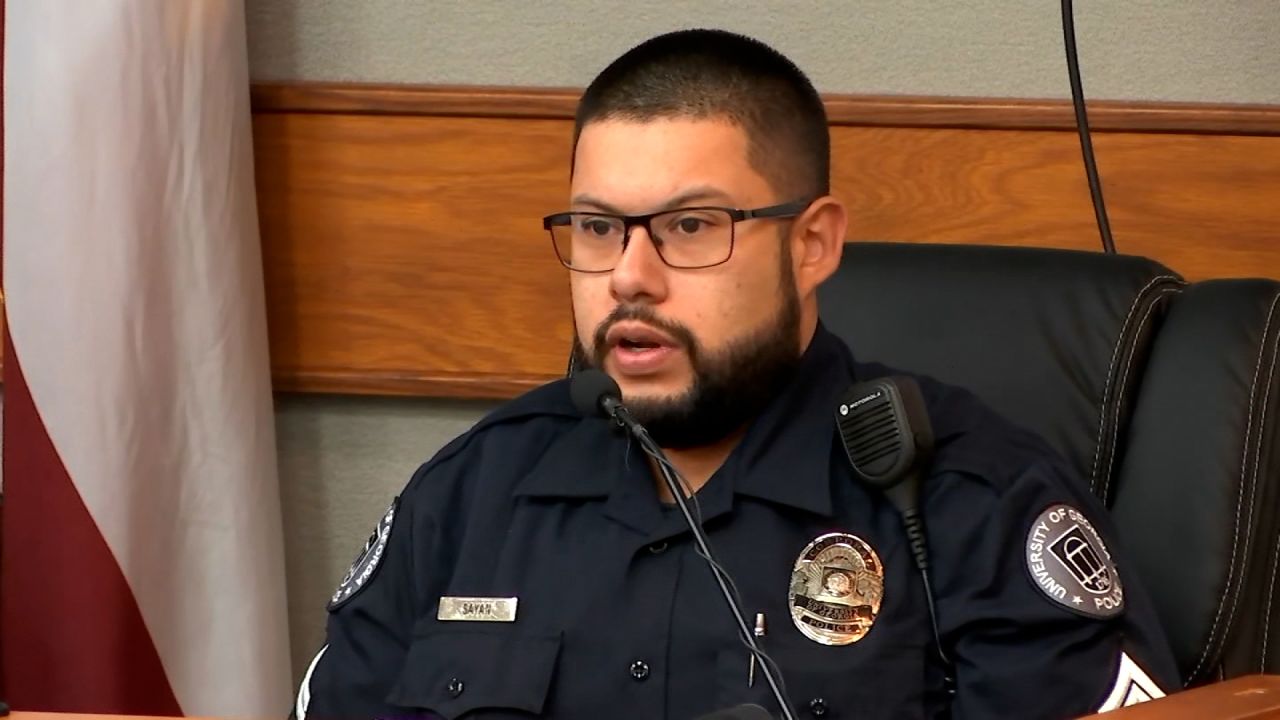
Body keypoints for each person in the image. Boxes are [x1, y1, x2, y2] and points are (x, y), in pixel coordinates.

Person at [294, 28, 1179, 719]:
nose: (630, 276)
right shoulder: (471, 496)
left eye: (687, 227)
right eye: (599, 228)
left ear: (812, 243)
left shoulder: (969, 508)